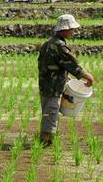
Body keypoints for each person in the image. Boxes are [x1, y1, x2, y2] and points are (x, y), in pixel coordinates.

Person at [37, 14, 95, 146]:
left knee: (50, 112)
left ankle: (47, 139)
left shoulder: (48, 43)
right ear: (63, 29)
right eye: (71, 29)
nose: (72, 32)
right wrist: (87, 76)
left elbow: (48, 65)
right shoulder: (59, 46)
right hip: (52, 86)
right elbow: (72, 64)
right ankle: (46, 141)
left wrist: (64, 76)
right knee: (50, 113)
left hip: (47, 84)